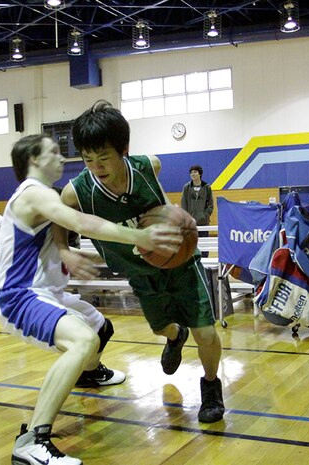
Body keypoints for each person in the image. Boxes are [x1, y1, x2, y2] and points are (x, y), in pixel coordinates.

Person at [0, 134, 181, 465]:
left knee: (99, 327)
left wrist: (76, 254)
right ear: (34, 160)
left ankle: (89, 373)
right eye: (54, 152)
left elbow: (44, 244)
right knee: (82, 341)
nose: (62, 157)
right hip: (18, 296)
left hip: (44, 291)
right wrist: (139, 235)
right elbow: (80, 221)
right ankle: (33, 440)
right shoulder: (33, 193)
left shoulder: (42, 196)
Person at [61, 100, 225, 424]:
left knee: (205, 332)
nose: (97, 166)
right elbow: (56, 218)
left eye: (104, 157)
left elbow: (161, 196)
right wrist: (64, 249)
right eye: (88, 159)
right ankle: (175, 336)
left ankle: (210, 387)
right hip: (140, 275)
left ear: (124, 149)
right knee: (161, 328)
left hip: (182, 266)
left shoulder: (149, 166)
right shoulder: (77, 192)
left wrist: (176, 221)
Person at [181, 164, 214, 257]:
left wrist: (205, 215)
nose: (192, 174)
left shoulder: (207, 187)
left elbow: (211, 204)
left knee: (205, 246)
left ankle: (205, 266)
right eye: (191, 172)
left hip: (204, 222)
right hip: (191, 223)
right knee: (191, 246)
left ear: (200, 174)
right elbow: (184, 204)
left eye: (195, 172)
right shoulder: (186, 187)